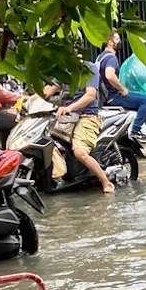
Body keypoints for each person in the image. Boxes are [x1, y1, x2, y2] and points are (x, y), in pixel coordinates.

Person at [45, 61, 115, 193]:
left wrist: (69, 108)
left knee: (80, 152)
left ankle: (106, 182)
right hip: (66, 117)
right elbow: (48, 90)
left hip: (87, 116)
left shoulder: (88, 68)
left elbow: (90, 95)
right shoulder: (63, 69)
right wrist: (25, 100)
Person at [96, 32, 146, 142]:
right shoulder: (111, 58)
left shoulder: (100, 57)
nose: (120, 41)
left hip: (105, 96)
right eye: (117, 39)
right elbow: (109, 75)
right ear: (110, 42)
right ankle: (135, 131)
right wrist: (122, 89)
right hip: (113, 96)